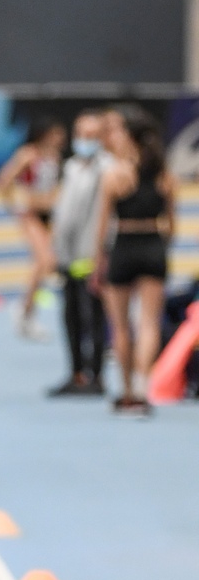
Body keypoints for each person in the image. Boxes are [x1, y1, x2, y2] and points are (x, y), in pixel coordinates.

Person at [94, 104, 176, 415]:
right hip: (153, 242)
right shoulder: (164, 175)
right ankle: (143, 386)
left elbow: (103, 227)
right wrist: (160, 247)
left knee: (120, 326)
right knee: (149, 323)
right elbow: (172, 225)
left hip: (124, 244)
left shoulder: (115, 175)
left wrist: (98, 260)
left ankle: (126, 390)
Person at [47, 110, 111, 397]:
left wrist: (102, 254)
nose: (86, 140)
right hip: (69, 255)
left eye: (92, 135)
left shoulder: (107, 169)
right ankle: (76, 373)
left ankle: (96, 374)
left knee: (93, 316)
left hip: (91, 254)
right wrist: (56, 248)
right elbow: (64, 213)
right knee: (70, 315)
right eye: (82, 135)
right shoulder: (71, 167)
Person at [0, 120, 65, 340]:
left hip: (50, 214)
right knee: (45, 261)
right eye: (55, 134)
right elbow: (4, 180)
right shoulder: (28, 154)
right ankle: (24, 310)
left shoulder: (55, 156)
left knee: (44, 264)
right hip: (31, 214)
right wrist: (12, 204)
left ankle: (27, 310)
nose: (60, 139)